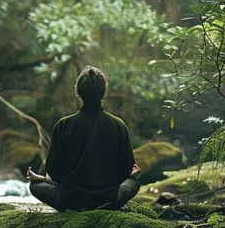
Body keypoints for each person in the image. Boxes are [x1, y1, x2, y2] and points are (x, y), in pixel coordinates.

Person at [27, 65, 140, 212]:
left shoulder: (64, 125)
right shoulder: (118, 125)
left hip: (71, 201)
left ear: (78, 92)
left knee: (34, 186)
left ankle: (80, 207)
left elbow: (55, 174)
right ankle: (111, 206)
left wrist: (42, 179)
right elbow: (125, 171)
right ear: (104, 92)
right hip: (109, 199)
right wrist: (132, 175)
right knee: (134, 182)